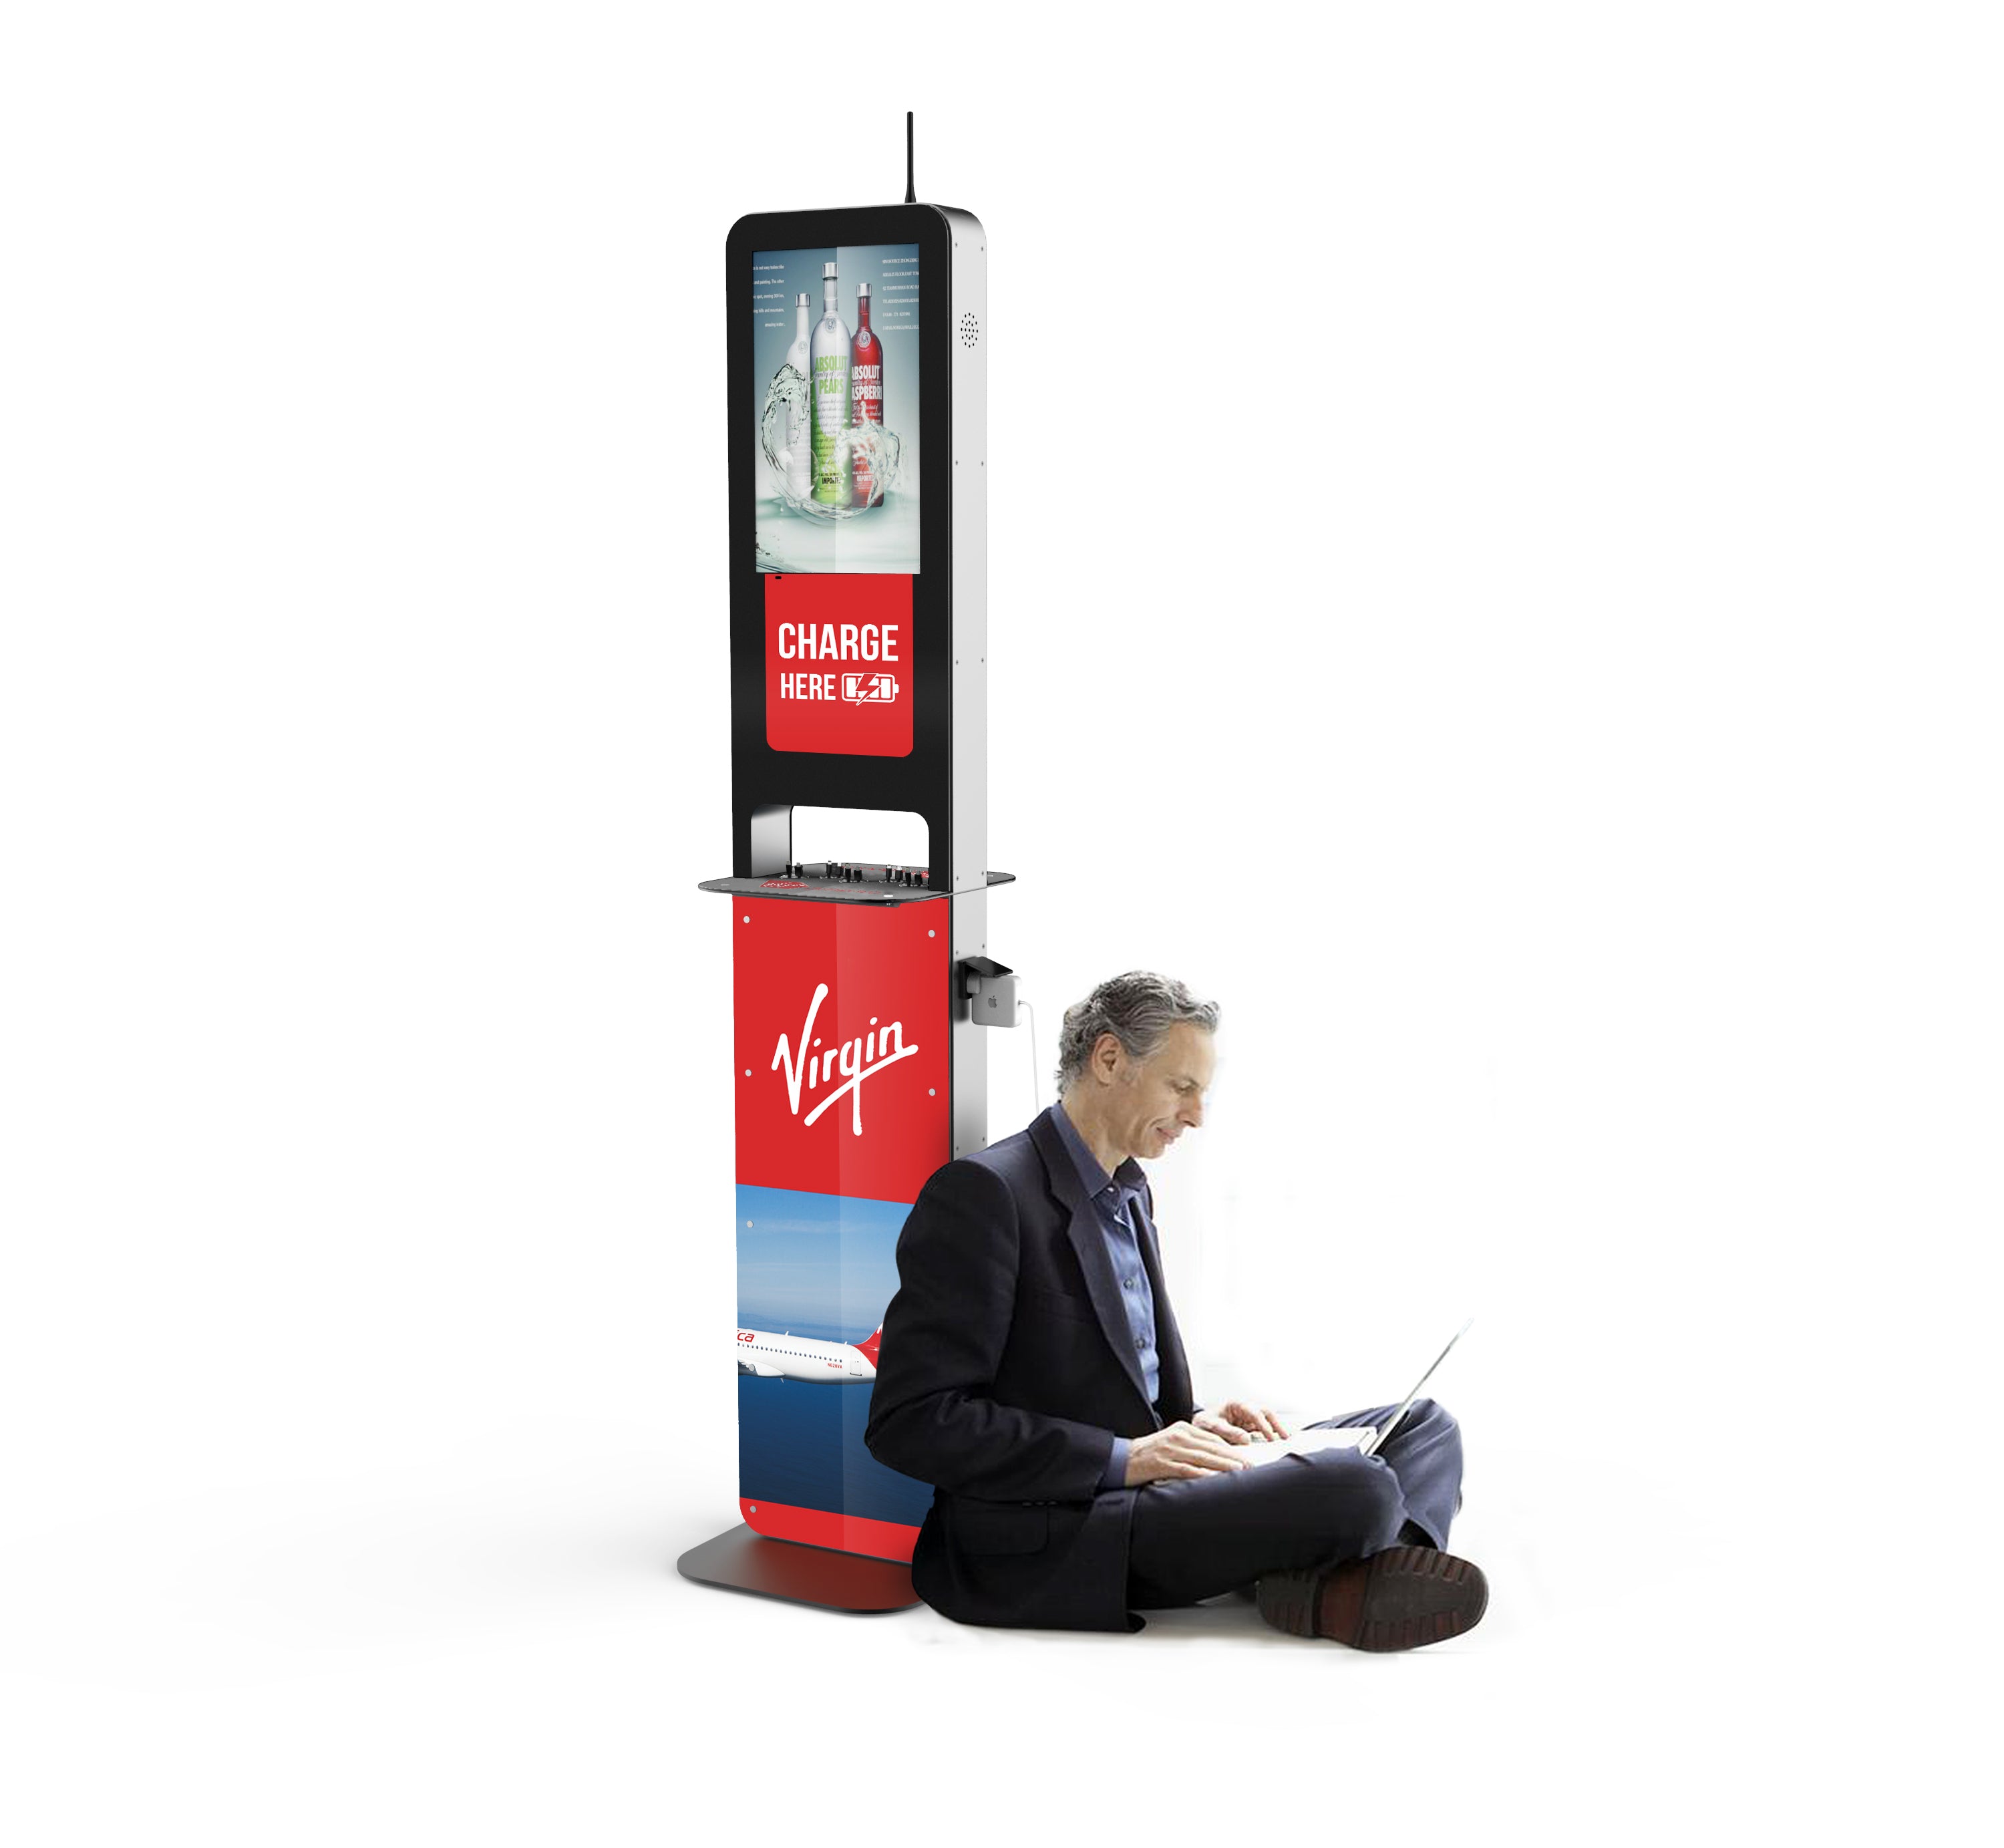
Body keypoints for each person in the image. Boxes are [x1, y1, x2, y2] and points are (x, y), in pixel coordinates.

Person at [865, 971, 1488, 1647]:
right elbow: (913, 1422)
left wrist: (1194, 1423)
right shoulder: (986, 1195)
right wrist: (1125, 1457)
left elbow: (1119, 1384)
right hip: (1070, 1522)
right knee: (1355, 1487)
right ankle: (1350, 1574)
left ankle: (1357, 1579)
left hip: (1154, 1487)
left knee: (1426, 1428)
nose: (1196, 1115)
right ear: (1109, 1060)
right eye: (1181, 1087)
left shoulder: (1130, 1195)